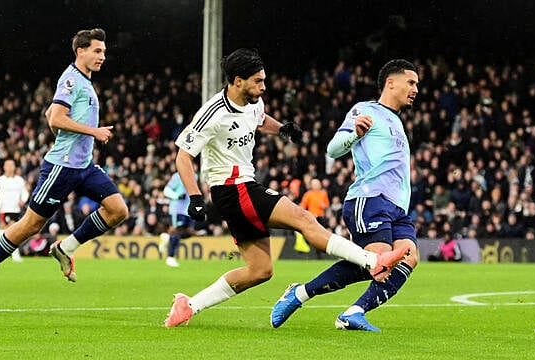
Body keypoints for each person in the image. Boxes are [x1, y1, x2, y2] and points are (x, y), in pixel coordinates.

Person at [163, 48, 410, 327]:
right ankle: (371, 261)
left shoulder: (254, 102)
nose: (263, 87)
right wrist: (195, 196)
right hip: (233, 188)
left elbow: (259, 120)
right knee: (304, 218)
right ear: (237, 81)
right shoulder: (213, 112)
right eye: (258, 81)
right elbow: (183, 155)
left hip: (242, 189)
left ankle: (189, 306)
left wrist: (281, 129)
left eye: (264, 80)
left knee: (260, 271)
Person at [0, 28, 129, 308]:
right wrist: (93, 131)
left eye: (103, 51)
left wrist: (74, 131)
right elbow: (56, 117)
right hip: (62, 167)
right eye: (97, 51)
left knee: (118, 210)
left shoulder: (84, 81)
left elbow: (49, 114)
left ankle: (66, 248)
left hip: (84, 166)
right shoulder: (71, 79)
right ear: (80, 51)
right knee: (31, 225)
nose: (103, 56)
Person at [270, 59, 420, 332]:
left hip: (397, 207)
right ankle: (300, 294)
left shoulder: (396, 122)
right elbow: (333, 148)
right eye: (411, 82)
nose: (416, 89)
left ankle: (353, 311)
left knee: (408, 257)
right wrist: (355, 134)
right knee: (378, 263)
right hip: (370, 199)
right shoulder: (365, 110)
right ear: (391, 82)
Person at [0, 159, 30, 262]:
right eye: (8, 165)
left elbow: (25, 192)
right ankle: (15, 255)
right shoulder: (0, 180)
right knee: (12, 231)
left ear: (15, 167)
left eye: (12, 165)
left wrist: (23, 200)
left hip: (16, 209)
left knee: (9, 231)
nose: (10, 167)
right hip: (4, 209)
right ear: (4, 167)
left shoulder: (19, 180)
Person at [159, 171, 197, 267]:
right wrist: (177, 196)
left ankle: (168, 238)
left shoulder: (195, 176)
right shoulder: (177, 176)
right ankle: (170, 257)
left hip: (189, 210)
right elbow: (166, 190)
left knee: (189, 232)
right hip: (177, 209)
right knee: (176, 232)